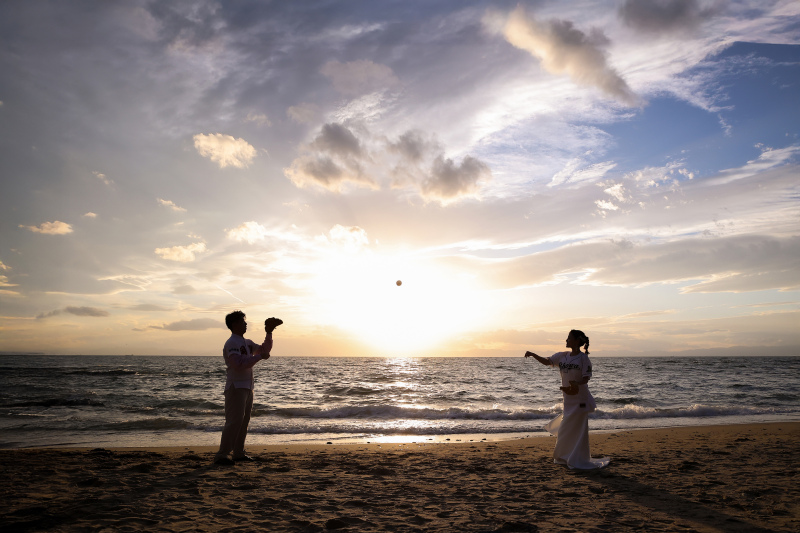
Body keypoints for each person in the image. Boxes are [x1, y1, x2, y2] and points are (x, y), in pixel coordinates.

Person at [525, 330, 610, 470]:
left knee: (578, 429)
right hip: (568, 398)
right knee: (566, 428)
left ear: (577, 341)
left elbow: (586, 378)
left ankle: (577, 458)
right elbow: (547, 362)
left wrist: (577, 383)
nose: (566, 340)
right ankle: (564, 456)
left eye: (569, 338)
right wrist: (533, 354)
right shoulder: (562, 356)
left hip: (580, 398)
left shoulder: (583, 358)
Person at [214, 311, 283, 465]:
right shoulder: (231, 343)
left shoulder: (247, 342)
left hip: (247, 387)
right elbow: (238, 364)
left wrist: (269, 333)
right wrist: (258, 357)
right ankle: (222, 455)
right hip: (235, 386)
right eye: (242, 321)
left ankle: (238, 453)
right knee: (234, 422)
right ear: (234, 324)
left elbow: (264, 350)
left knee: (243, 422)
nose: (246, 324)